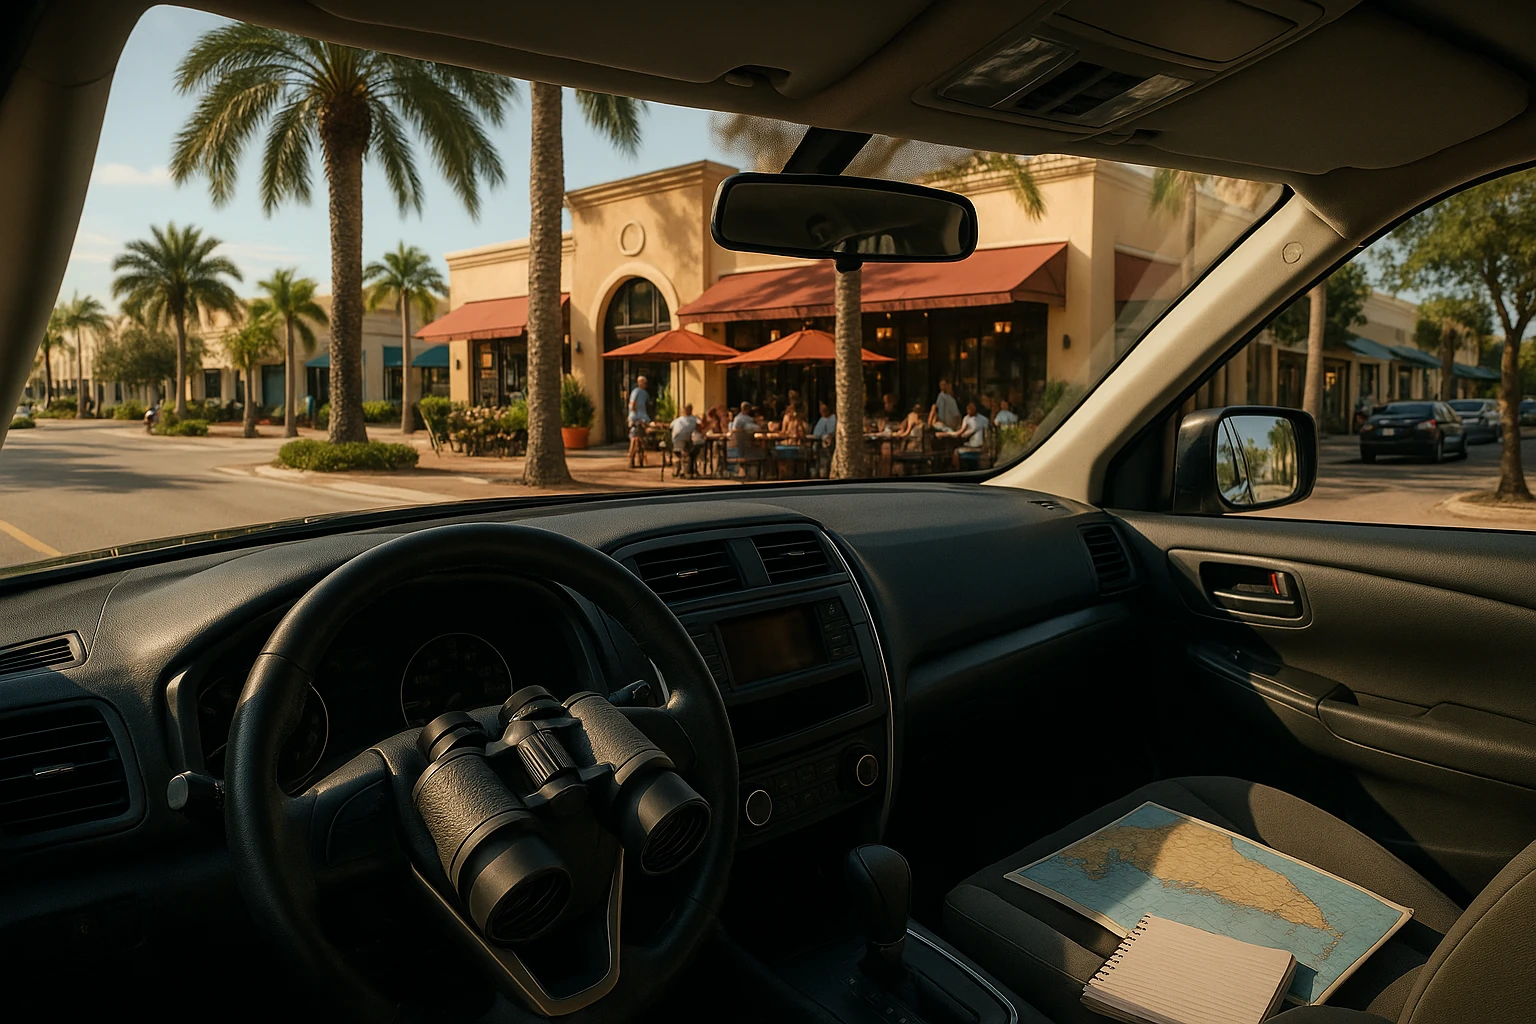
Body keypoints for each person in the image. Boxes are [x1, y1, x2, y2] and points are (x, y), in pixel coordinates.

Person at [670, 402, 703, 476]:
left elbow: (670, 426)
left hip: (677, 440)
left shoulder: (679, 419)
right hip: (686, 440)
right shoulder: (694, 419)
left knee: (682, 453)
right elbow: (700, 424)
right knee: (691, 451)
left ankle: (682, 470)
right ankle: (688, 470)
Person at [627, 374, 651, 469]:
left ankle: (641, 458)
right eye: (644, 383)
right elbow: (632, 404)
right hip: (636, 419)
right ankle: (631, 459)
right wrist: (633, 416)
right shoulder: (636, 391)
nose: (646, 384)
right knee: (634, 439)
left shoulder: (645, 393)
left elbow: (648, 403)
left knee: (642, 438)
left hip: (643, 418)